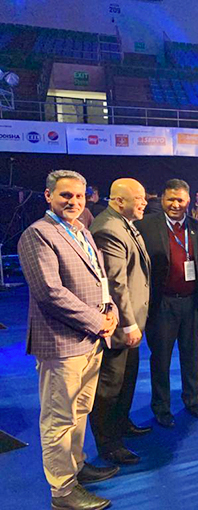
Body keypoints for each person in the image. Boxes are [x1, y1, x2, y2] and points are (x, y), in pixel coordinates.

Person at [18, 170, 118, 510]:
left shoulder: (81, 231)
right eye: (65, 195)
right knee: (59, 419)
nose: (74, 201)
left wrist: (110, 311)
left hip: (90, 340)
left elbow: (99, 278)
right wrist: (98, 322)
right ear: (49, 196)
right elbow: (50, 293)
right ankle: (62, 492)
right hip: (61, 343)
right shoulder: (38, 234)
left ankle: (76, 466)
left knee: (80, 410)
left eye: (79, 195)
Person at [136, 179, 198, 428]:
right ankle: (161, 407)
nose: (176, 204)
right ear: (162, 200)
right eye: (171, 199)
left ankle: (192, 401)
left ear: (188, 201)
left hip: (191, 303)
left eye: (181, 200)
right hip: (161, 304)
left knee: (192, 355)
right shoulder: (145, 226)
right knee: (161, 358)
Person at [89, 179, 151, 466]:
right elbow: (116, 284)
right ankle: (109, 444)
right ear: (118, 201)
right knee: (110, 387)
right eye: (138, 198)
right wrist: (128, 324)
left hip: (132, 321)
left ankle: (121, 424)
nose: (144, 202)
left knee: (127, 380)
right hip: (120, 326)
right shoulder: (109, 229)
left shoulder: (124, 223)